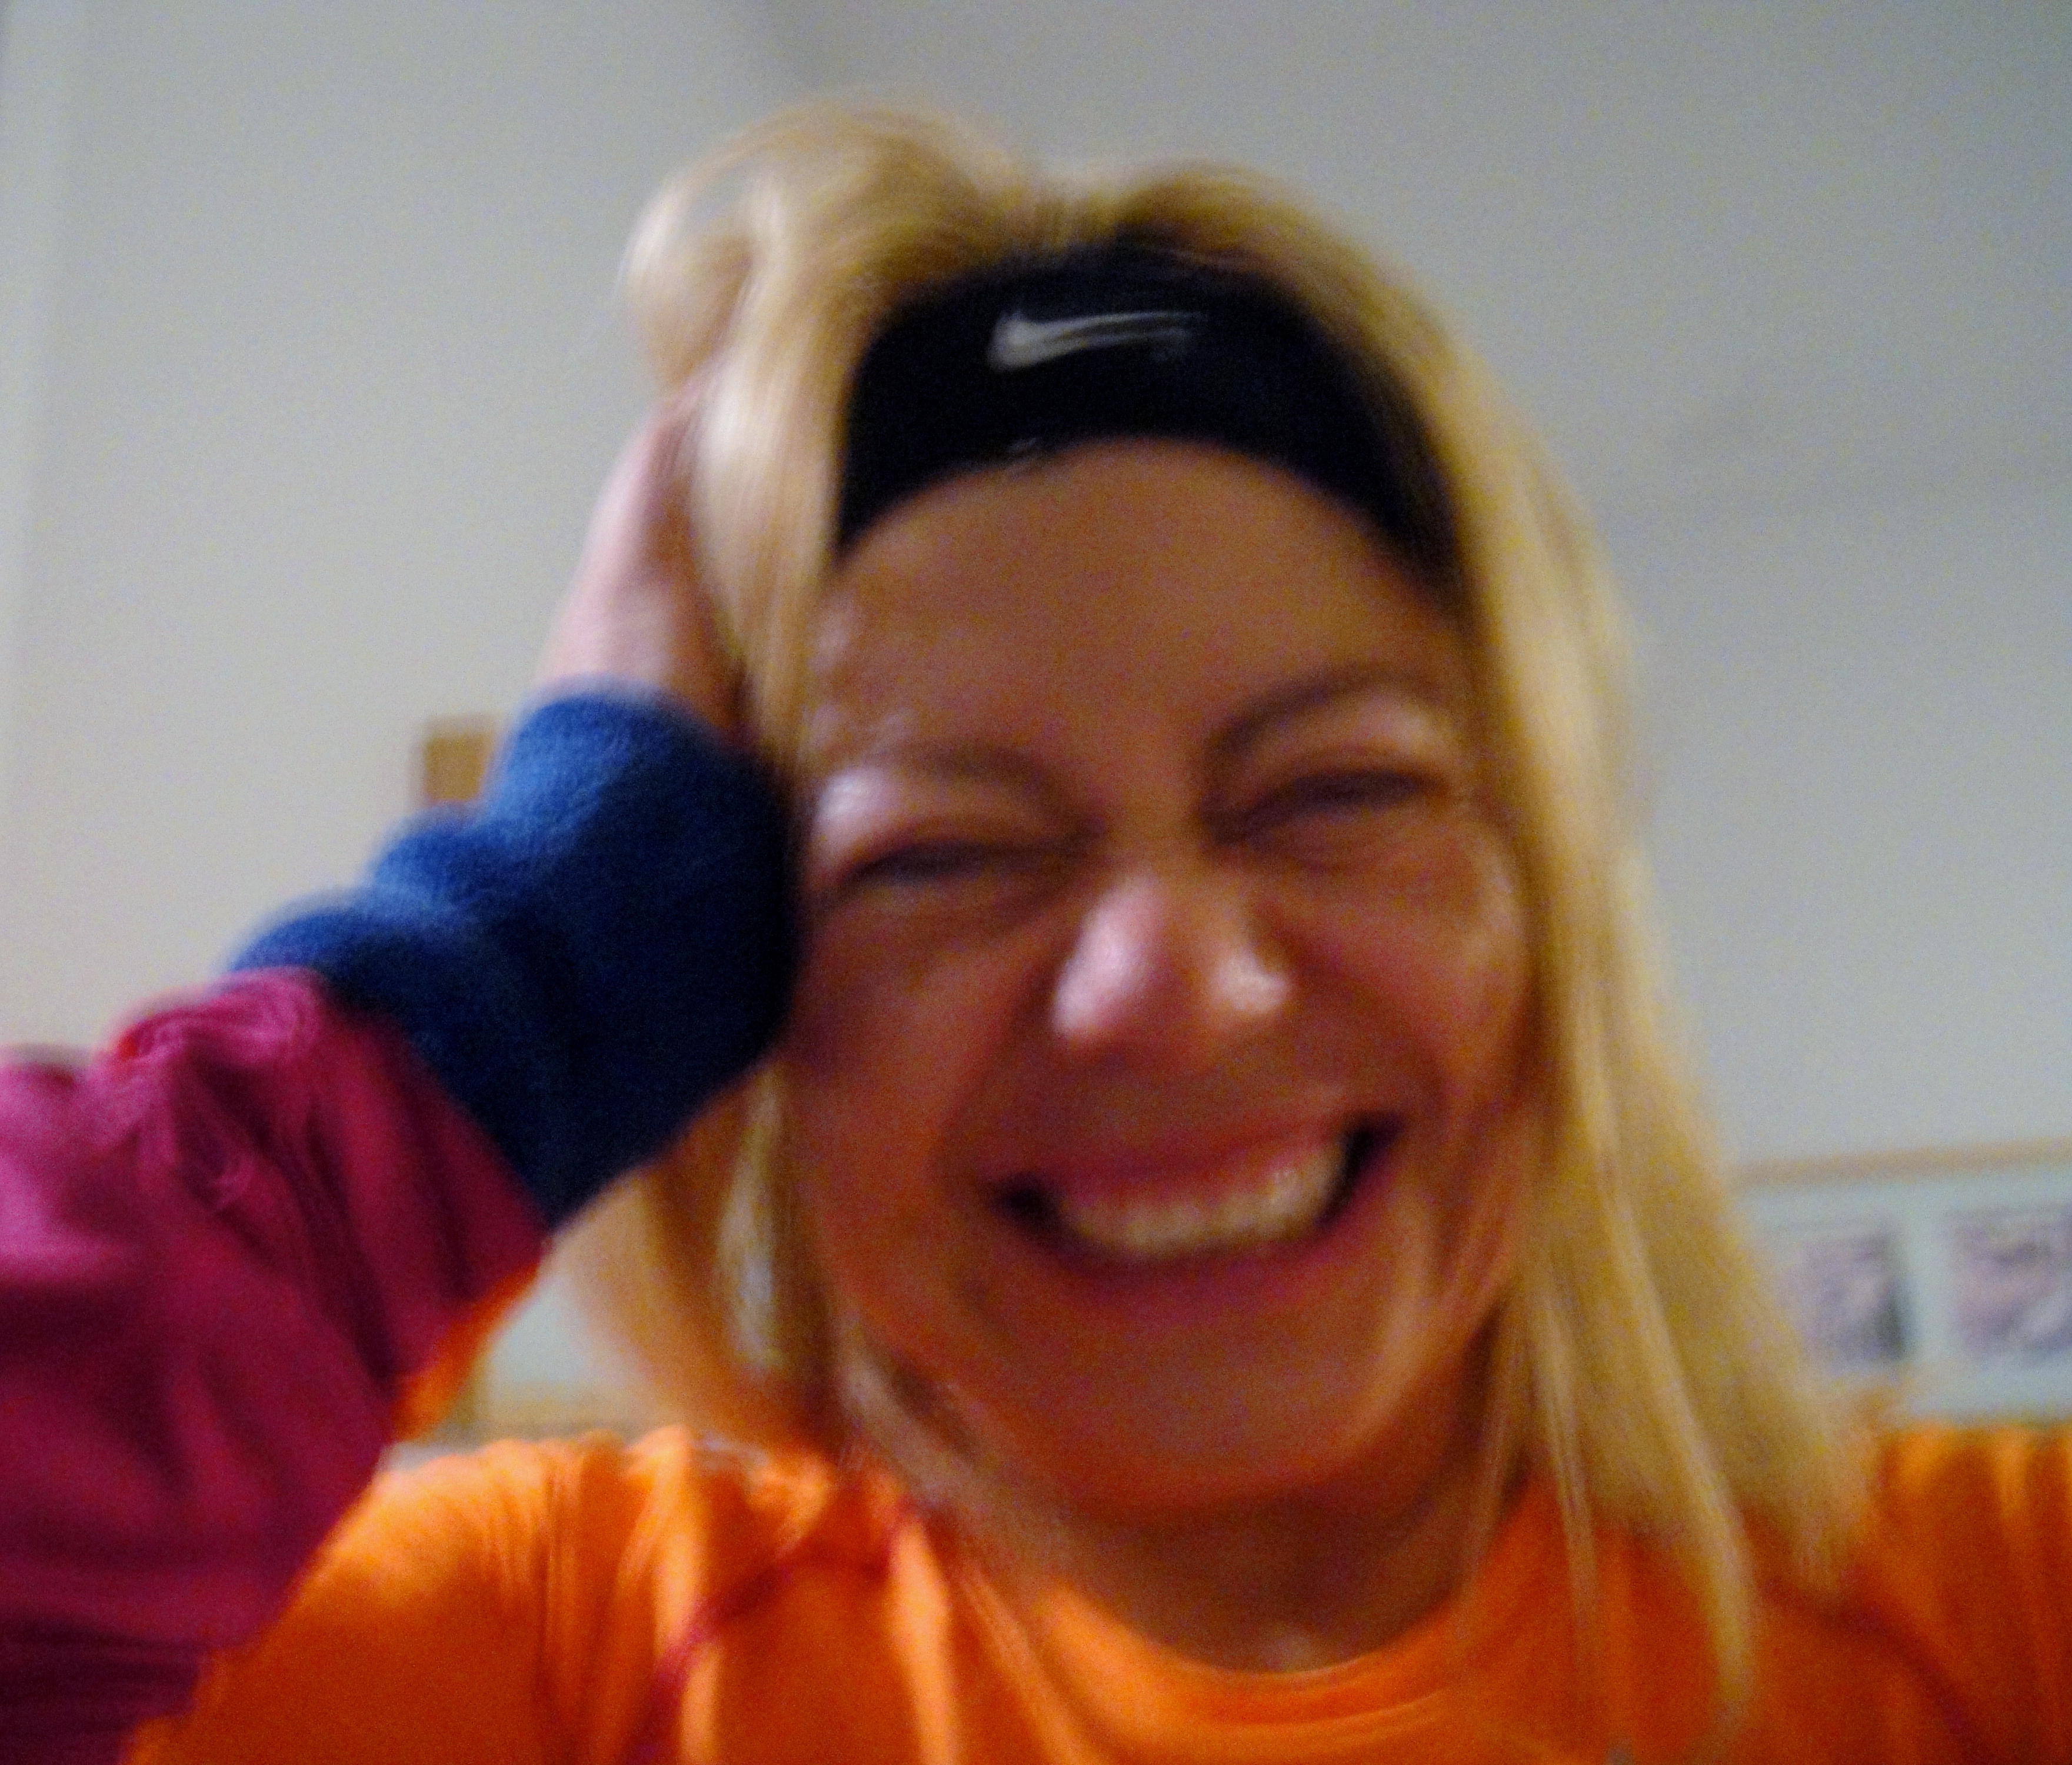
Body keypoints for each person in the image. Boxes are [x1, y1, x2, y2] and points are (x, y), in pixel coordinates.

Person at [3, 104, 2067, 1765]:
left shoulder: (2003, 1611)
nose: (1170, 979)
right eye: (940, 856)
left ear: (1543, 909)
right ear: (744, 1004)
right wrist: (515, 980)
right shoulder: (544, 1655)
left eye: (1333, 792)